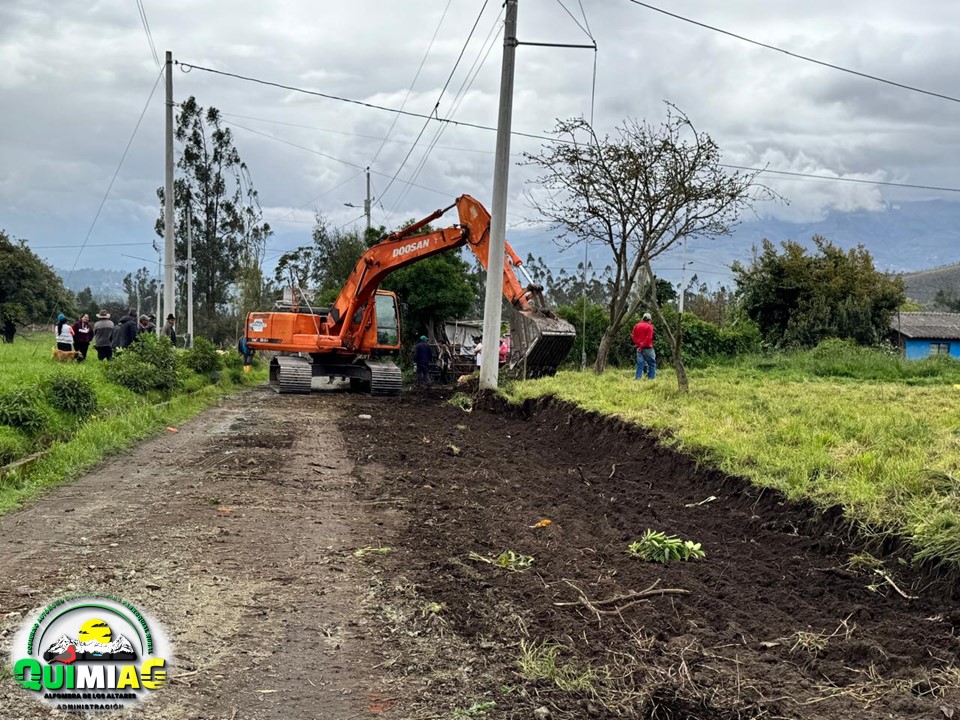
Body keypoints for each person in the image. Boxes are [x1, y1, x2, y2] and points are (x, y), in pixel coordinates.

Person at [632, 312, 656, 380]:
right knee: (652, 363)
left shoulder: (637, 326)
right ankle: (651, 379)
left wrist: (639, 345)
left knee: (640, 364)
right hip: (648, 348)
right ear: (649, 319)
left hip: (639, 348)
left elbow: (634, 337)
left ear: (643, 318)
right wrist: (642, 345)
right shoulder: (650, 327)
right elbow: (649, 338)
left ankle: (638, 378)